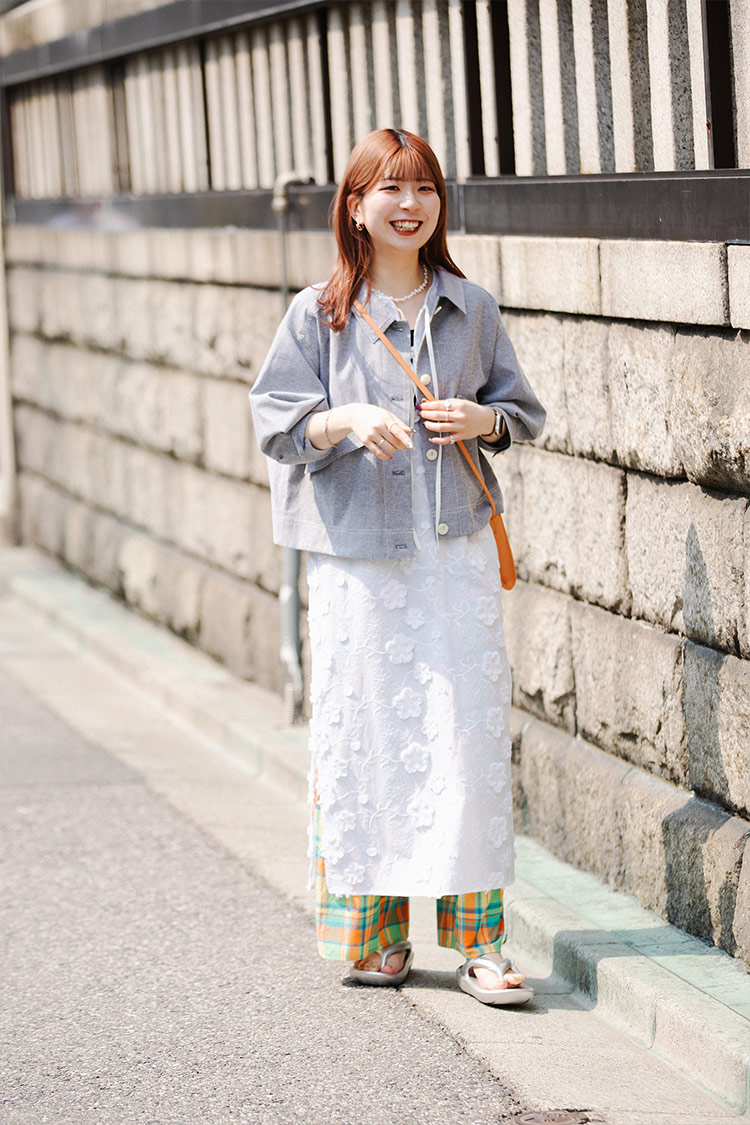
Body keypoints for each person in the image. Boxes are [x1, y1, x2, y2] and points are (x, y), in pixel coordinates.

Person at [250, 128, 545, 1005]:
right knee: (367, 734)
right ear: (355, 207)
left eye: (424, 188)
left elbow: (520, 410)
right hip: (359, 564)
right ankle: (374, 937)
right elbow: (277, 421)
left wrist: (481, 422)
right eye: (390, 188)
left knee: (465, 734)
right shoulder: (318, 313)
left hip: (453, 554)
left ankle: (481, 943)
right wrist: (342, 421)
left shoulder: (471, 307)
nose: (409, 204)